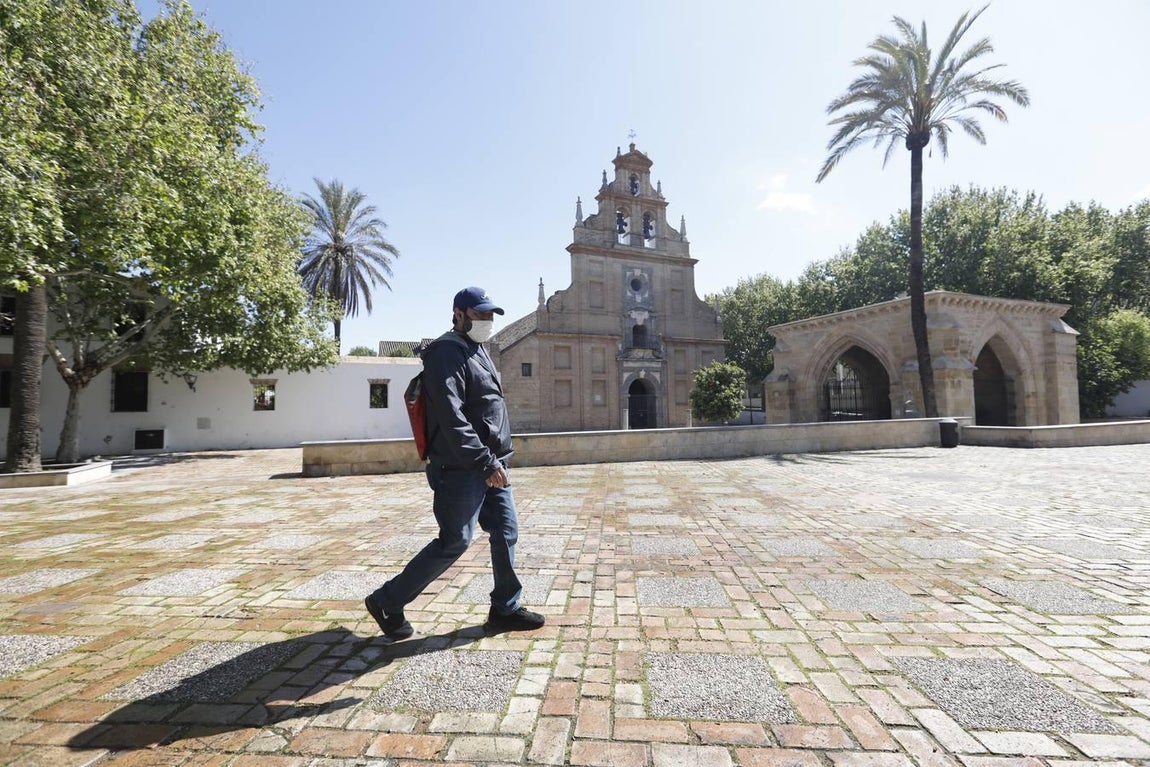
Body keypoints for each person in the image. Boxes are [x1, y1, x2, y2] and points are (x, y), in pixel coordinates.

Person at [365, 287, 546, 639]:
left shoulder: (476, 350)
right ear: (459, 314)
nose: (487, 321)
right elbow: (452, 417)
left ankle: (505, 608)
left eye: (490, 315)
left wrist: (496, 458)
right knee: (454, 541)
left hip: (492, 464)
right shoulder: (445, 353)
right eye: (480, 315)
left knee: (506, 531)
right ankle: (386, 601)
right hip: (462, 468)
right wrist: (483, 462)